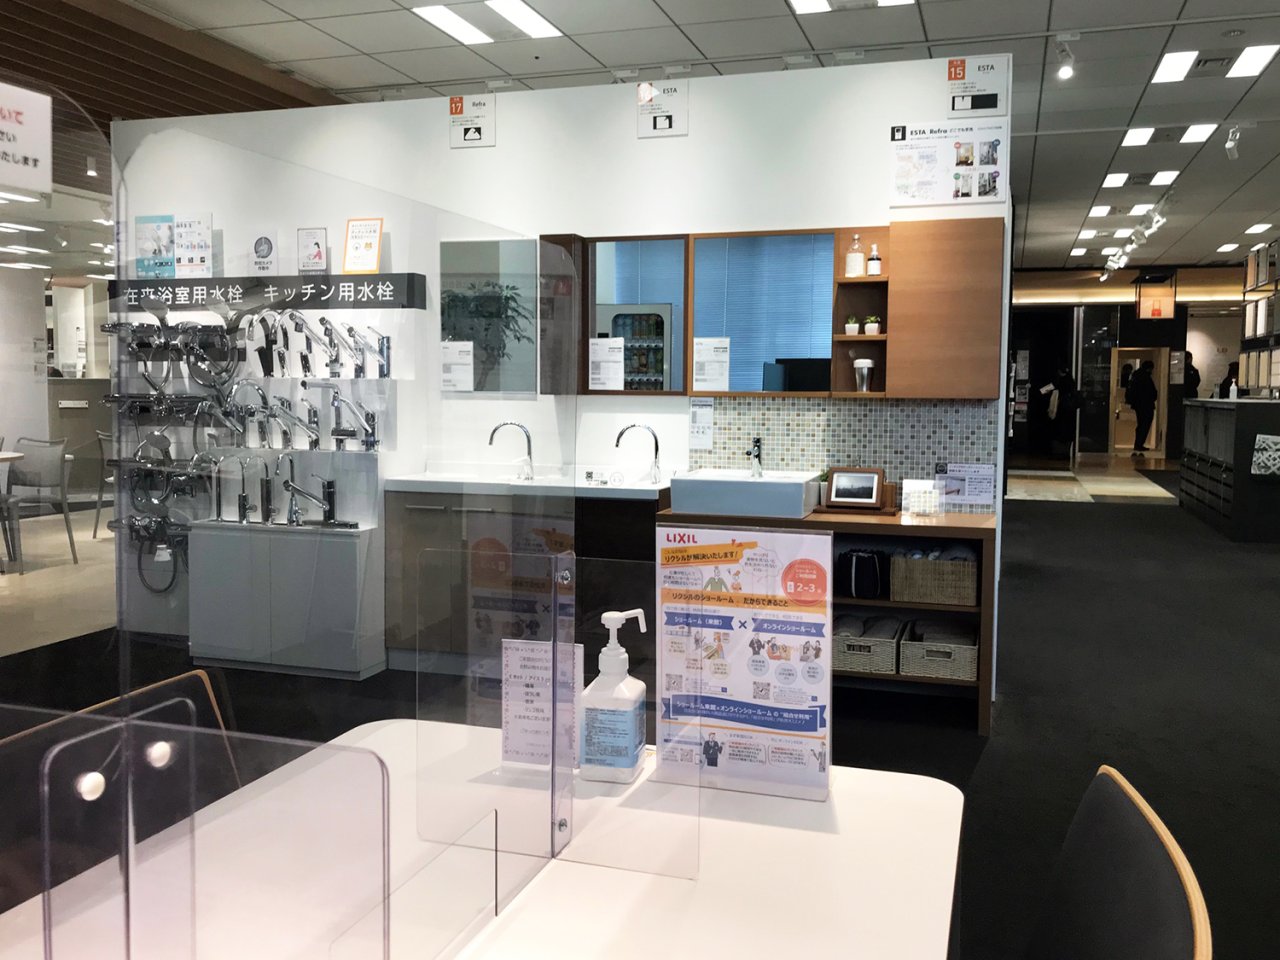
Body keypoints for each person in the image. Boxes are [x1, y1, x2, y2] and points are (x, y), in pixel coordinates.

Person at [1127, 359, 1158, 456]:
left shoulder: (1135, 376)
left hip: (1138, 405)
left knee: (1140, 424)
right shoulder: (1146, 378)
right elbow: (1152, 392)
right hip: (1146, 405)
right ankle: (1139, 444)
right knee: (1145, 424)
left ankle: (1138, 443)